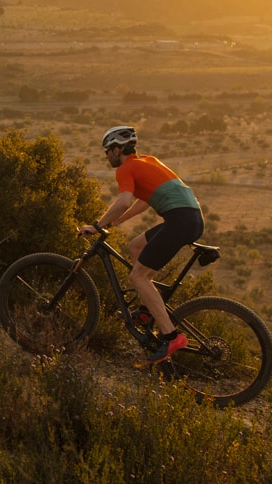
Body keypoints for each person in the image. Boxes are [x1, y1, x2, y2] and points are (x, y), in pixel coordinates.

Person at [78, 126, 204, 364]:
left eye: (108, 151)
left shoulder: (126, 168)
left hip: (180, 220)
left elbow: (124, 200)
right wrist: (118, 221)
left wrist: (97, 226)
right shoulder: (148, 161)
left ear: (117, 149)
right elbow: (144, 199)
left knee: (138, 278)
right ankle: (147, 313)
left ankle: (171, 336)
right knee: (136, 246)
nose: (106, 156)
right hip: (189, 217)